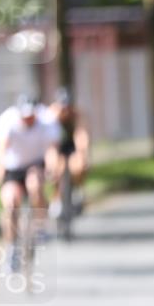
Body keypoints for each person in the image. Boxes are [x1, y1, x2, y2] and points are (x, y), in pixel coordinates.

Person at [0, 94, 61, 271]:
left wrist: (52, 170)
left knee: (35, 185)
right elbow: (0, 151)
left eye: (31, 116)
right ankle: (11, 248)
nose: (29, 120)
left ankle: (40, 224)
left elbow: (52, 150)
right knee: (10, 203)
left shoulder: (46, 120)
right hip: (13, 168)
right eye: (25, 116)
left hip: (35, 164)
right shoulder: (7, 121)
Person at [45, 87, 90, 218]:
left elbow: (81, 136)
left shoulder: (77, 116)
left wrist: (83, 154)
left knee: (79, 165)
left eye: (67, 107)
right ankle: (56, 197)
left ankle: (77, 189)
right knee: (56, 168)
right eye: (62, 107)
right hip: (56, 146)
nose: (65, 110)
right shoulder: (50, 117)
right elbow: (49, 143)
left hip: (72, 146)